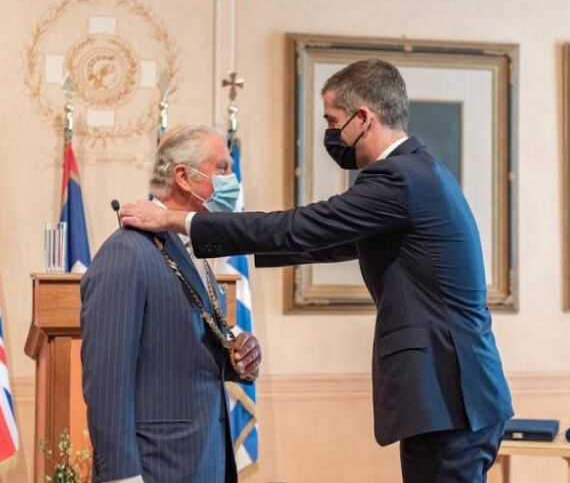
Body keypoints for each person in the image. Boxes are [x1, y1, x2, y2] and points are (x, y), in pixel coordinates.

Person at [119, 59, 514, 483]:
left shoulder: (399, 177)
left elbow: (299, 226)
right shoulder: (420, 169)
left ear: (364, 118)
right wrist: (232, 241)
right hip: (457, 394)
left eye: (333, 121)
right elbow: (324, 240)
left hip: (448, 394)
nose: (331, 134)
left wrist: (175, 220)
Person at [80, 124, 262, 483]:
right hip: (156, 468)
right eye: (222, 168)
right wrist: (121, 476)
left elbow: (179, 353)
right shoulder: (128, 252)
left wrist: (235, 359)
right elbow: (106, 380)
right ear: (183, 177)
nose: (233, 179)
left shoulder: (193, 251)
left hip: (203, 462)